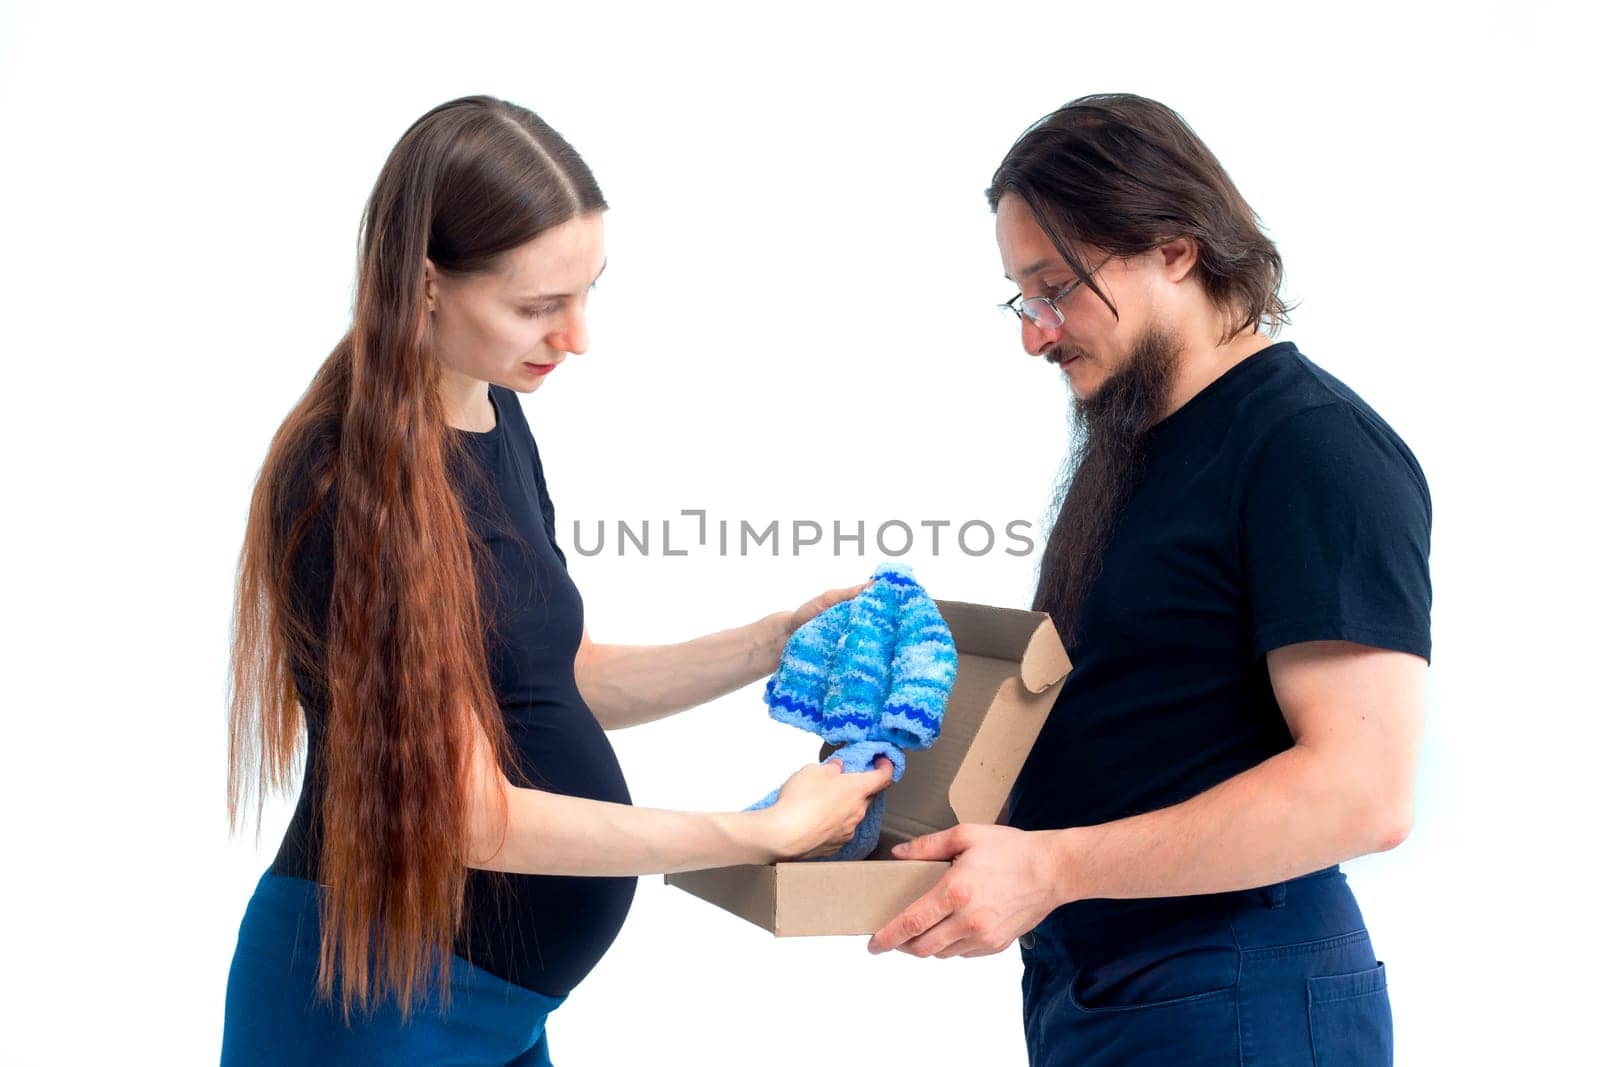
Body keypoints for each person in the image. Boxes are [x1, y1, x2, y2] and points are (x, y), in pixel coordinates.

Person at [220, 94, 893, 1066]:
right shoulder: (344, 482)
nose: (576, 335)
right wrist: (754, 830)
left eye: (587, 292)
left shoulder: (490, 411)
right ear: (424, 284)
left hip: (494, 1009)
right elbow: (468, 815)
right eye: (538, 305)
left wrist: (769, 639)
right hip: (373, 1006)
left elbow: (545, 677)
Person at [868, 94, 1430, 1066]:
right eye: (1021, 297)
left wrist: (1046, 865)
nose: (1035, 335)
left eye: (1057, 288)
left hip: (1237, 994)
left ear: (1175, 247)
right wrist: (898, 800)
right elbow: (1134, 712)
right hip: (1114, 988)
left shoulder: (1311, 450)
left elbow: (1360, 791)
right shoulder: (1133, 449)